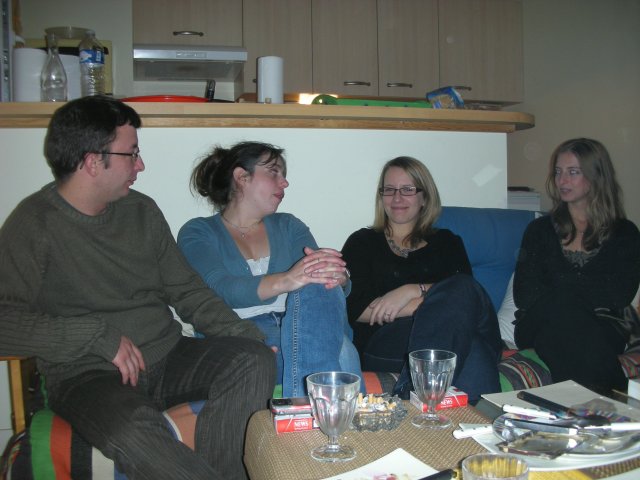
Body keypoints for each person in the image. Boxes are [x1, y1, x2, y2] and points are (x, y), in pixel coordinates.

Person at [0, 96, 275, 480]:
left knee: (254, 359)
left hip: (167, 356)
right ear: (93, 162)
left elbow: (187, 291)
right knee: (132, 428)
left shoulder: (141, 211)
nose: (140, 165)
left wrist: (247, 336)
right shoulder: (34, 224)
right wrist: (96, 336)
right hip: (87, 375)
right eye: (131, 154)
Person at [177, 141, 362, 397]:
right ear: (242, 177)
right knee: (342, 351)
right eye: (274, 172)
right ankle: (330, 415)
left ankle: (303, 411)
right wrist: (287, 280)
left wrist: (339, 276)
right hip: (243, 335)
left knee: (319, 285)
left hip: (303, 324)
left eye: (283, 175)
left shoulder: (289, 225)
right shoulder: (198, 231)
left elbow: (321, 283)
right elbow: (220, 289)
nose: (284, 183)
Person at [341, 156, 502, 403]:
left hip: (453, 334)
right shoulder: (362, 242)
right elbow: (357, 308)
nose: (397, 198)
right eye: (389, 189)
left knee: (464, 305)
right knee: (473, 347)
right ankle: (484, 418)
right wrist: (433, 303)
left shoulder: (447, 242)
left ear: (424, 197)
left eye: (407, 189)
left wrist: (409, 291)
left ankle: (416, 393)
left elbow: (465, 297)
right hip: (388, 343)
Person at [513, 138, 640, 392]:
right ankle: (615, 396)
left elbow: (619, 294)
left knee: (563, 324)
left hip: (604, 326)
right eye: (558, 172)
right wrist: (570, 293)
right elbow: (524, 295)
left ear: (596, 176)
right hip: (539, 321)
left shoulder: (624, 233)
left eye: (573, 172)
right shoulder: (539, 230)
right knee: (562, 305)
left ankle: (575, 405)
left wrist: (562, 289)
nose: (562, 180)